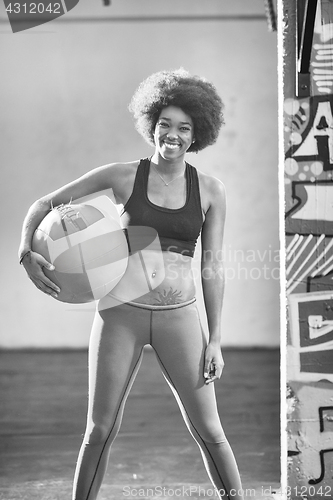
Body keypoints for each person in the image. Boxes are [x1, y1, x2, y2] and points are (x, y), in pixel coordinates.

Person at [18, 69, 244, 500]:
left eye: (184, 128)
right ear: (151, 124)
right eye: (164, 124)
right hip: (120, 314)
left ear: (198, 133)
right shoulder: (123, 176)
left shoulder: (211, 189)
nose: (172, 135)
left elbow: (212, 266)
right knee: (100, 429)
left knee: (210, 430)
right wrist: (24, 253)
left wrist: (215, 339)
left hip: (180, 318)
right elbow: (45, 204)